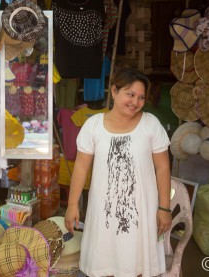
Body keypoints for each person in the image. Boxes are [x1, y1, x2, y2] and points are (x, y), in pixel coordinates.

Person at [65, 68, 172, 277]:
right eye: (130, 94)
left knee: (138, 264)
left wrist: (164, 208)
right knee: (104, 264)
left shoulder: (150, 124)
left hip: (141, 211)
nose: (135, 102)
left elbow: (163, 167)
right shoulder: (93, 126)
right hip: (103, 211)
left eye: (141, 97)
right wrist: (71, 205)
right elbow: (81, 166)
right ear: (114, 91)